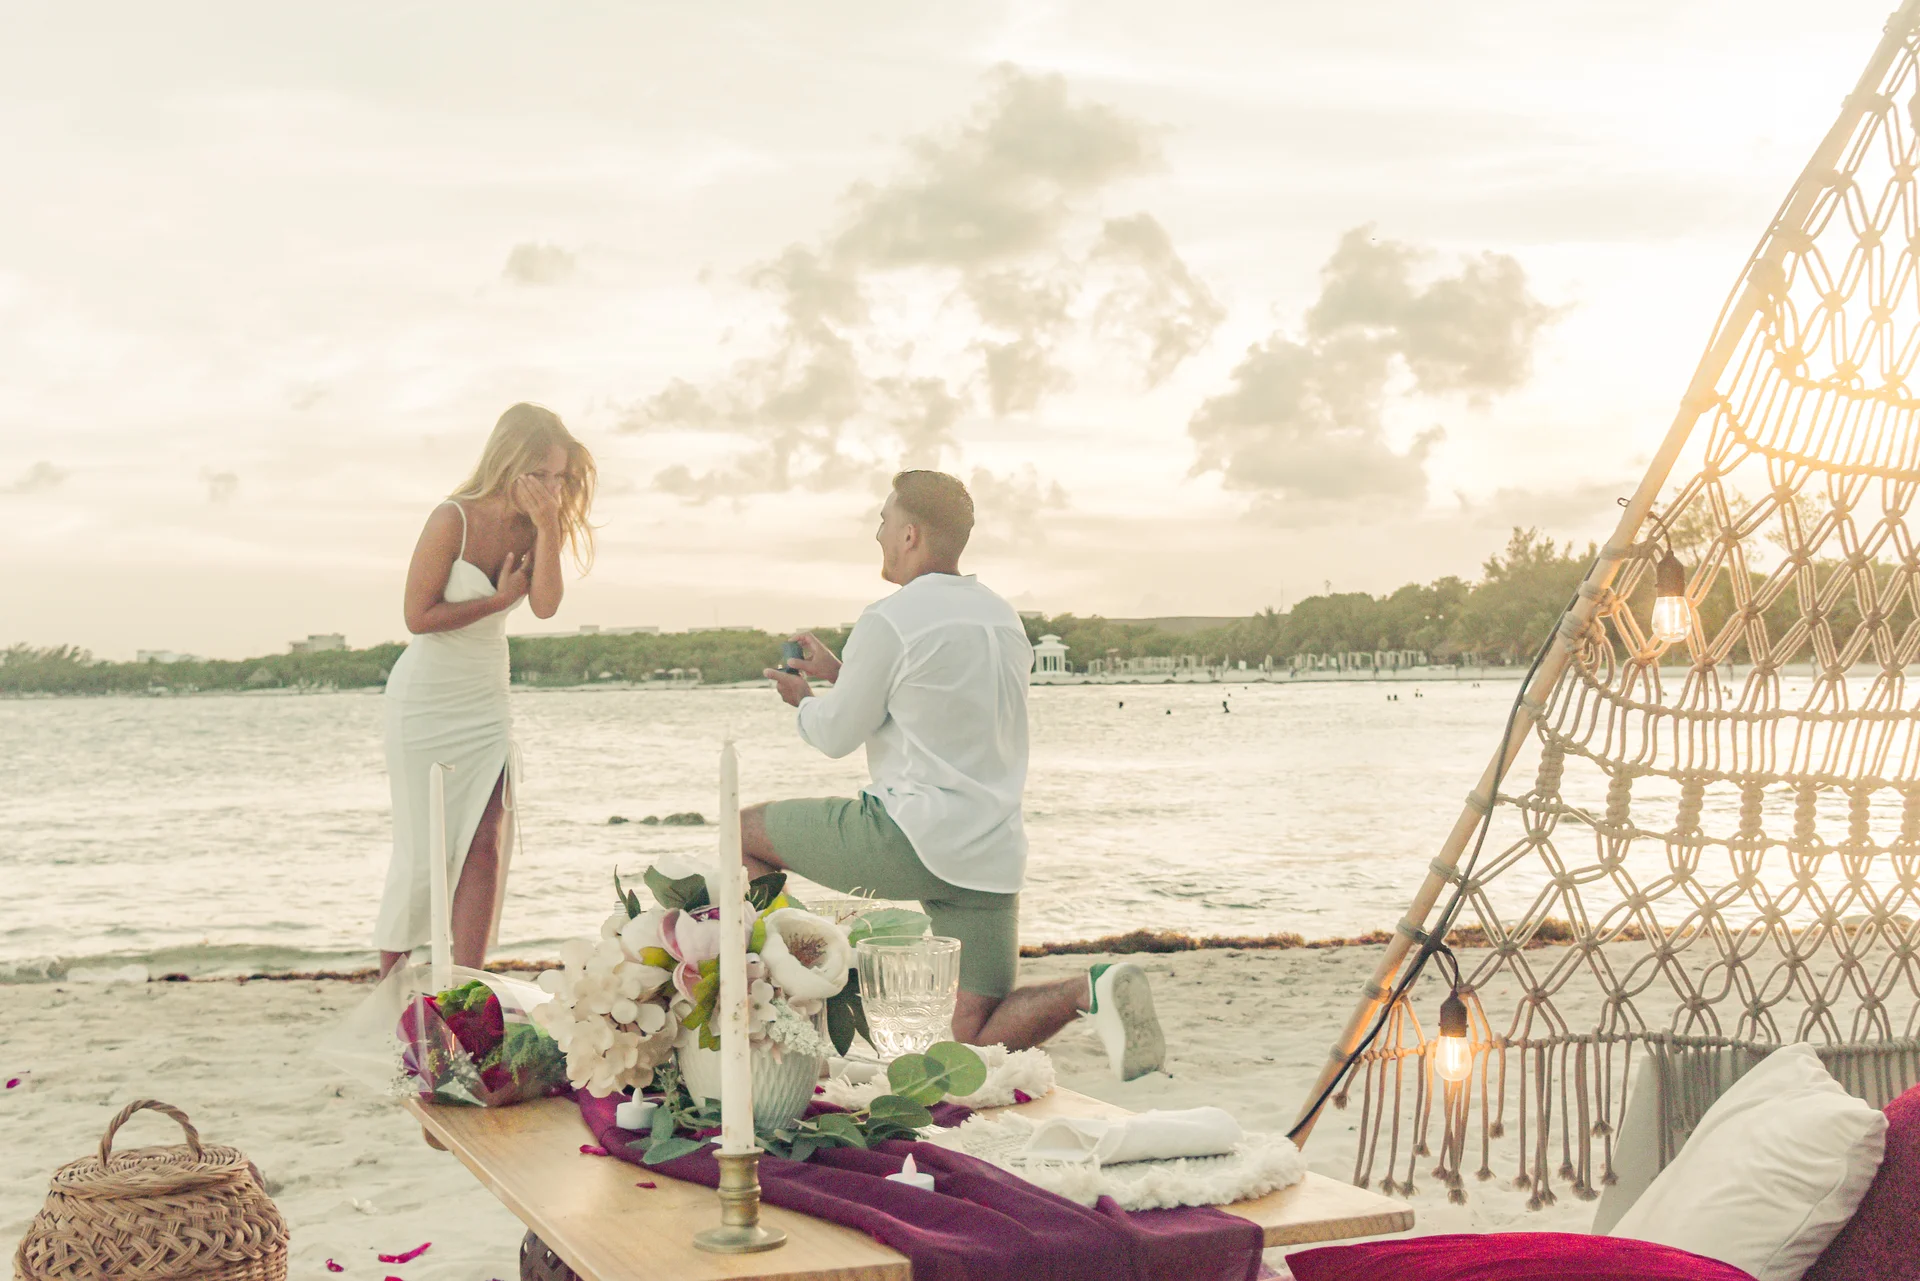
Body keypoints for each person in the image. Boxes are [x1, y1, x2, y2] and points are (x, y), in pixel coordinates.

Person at [743, 470, 1165, 1079]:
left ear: (910, 533)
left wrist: (804, 700)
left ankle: (795, 993)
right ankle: (1090, 990)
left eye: (883, 520)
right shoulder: (1000, 617)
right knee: (972, 1036)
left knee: (744, 832)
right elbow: (932, 706)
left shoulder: (891, 618)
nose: (878, 533)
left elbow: (835, 734)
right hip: (990, 849)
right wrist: (844, 673)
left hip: (907, 834)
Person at [375, 403, 596, 977]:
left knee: (485, 847)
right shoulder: (453, 517)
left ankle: (464, 991)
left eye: (560, 477)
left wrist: (549, 527)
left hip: (485, 699)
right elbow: (417, 616)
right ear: (509, 463)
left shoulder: (542, 523)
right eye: (542, 474)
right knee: (422, 854)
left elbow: (546, 605)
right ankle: (390, 990)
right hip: (425, 701)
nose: (552, 487)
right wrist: (498, 601)